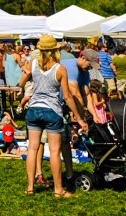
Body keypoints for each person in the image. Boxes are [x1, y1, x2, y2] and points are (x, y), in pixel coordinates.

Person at [17, 34, 86, 198]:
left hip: (33, 109)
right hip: (52, 110)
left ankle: (30, 187)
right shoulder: (60, 69)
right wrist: (79, 117)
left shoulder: (33, 63)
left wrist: (27, 73)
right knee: (55, 151)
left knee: (32, 148)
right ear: (56, 50)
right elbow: (68, 96)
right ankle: (58, 189)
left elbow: (20, 85)